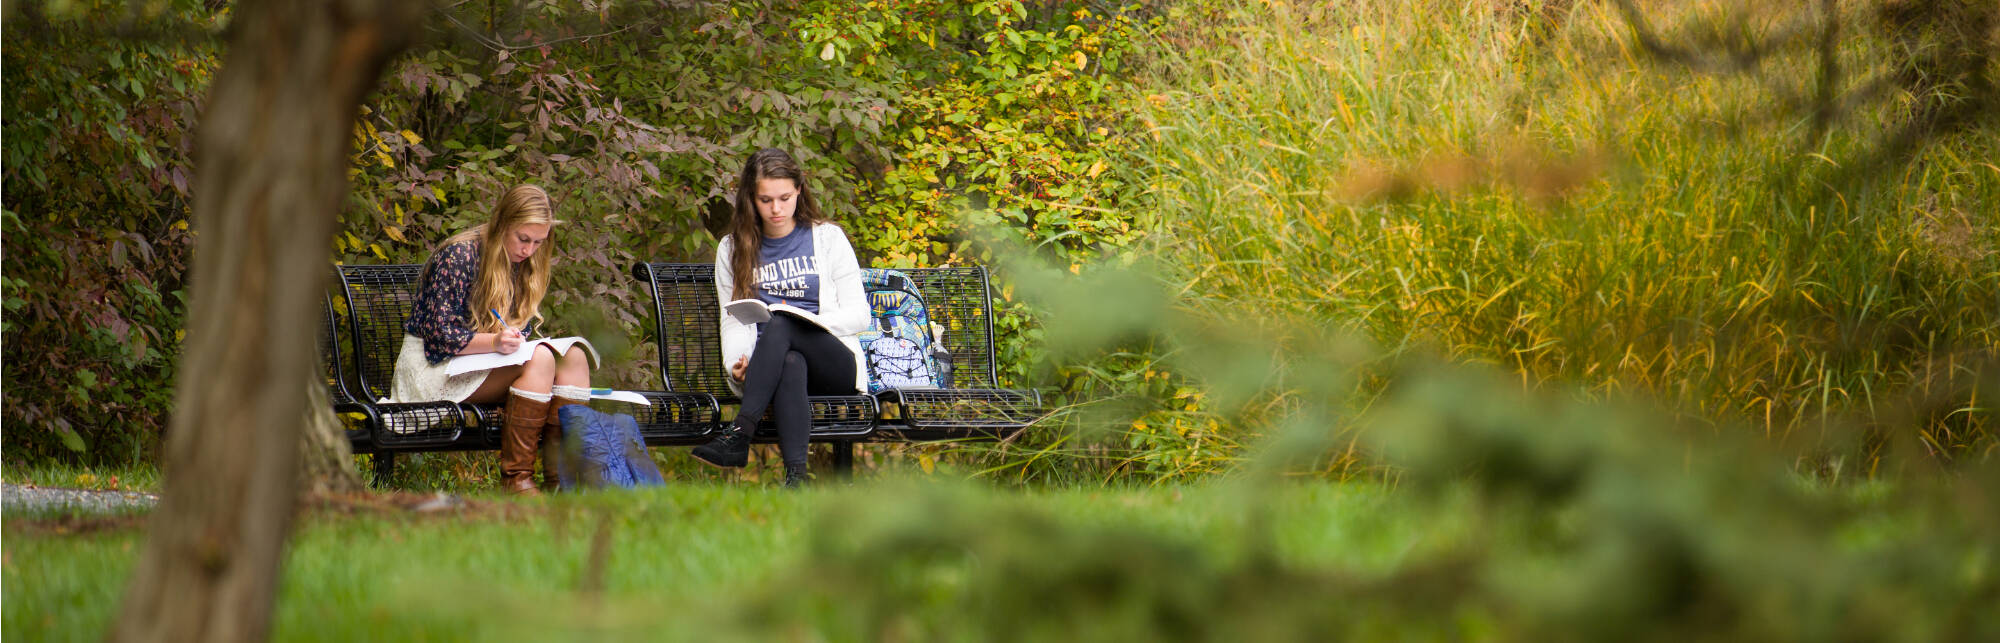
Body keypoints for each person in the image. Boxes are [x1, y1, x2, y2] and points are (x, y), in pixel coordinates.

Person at [391, 184, 592, 496]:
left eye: (538, 242)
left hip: (481, 363)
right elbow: (438, 337)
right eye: (523, 238)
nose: (528, 250)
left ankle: (564, 485)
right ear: (502, 224)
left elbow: (513, 330)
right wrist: (496, 342)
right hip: (434, 369)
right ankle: (518, 482)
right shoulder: (460, 255)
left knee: (574, 357)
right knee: (542, 358)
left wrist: (509, 340)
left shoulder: (522, 263)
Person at [691, 148, 869, 486]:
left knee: (783, 321)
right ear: (750, 199)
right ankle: (796, 480)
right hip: (771, 368)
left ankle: (740, 432)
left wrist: (805, 323)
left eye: (784, 197)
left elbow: (860, 315)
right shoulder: (732, 249)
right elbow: (734, 318)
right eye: (765, 199)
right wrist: (736, 363)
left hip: (834, 364)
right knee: (788, 360)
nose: (776, 209)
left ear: (799, 191)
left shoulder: (827, 239)